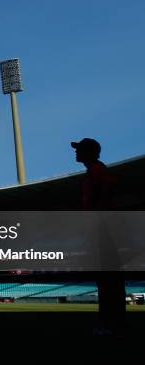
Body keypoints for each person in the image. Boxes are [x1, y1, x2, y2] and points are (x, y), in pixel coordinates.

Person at [71, 138, 125, 336]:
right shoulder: (95, 171)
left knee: (108, 281)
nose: (75, 153)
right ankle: (113, 323)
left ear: (88, 152)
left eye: (79, 150)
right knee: (108, 281)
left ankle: (111, 324)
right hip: (103, 231)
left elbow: (101, 201)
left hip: (103, 232)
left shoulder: (96, 171)